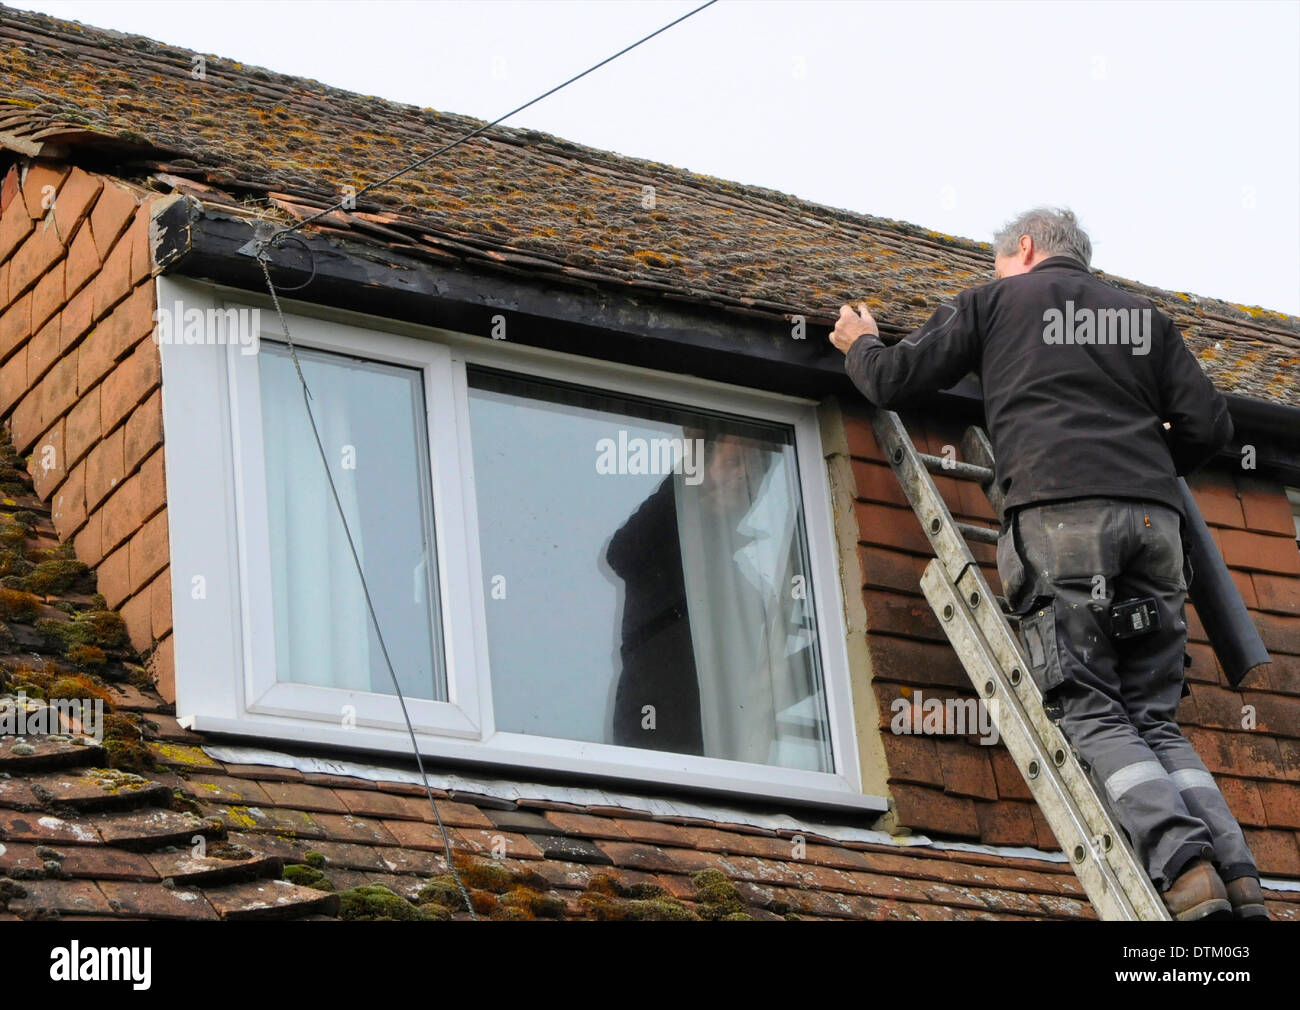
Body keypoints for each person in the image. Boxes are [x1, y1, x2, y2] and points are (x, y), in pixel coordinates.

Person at [829, 206, 1266, 922]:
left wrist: (862, 345)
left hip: (1062, 519)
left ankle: (1186, 870)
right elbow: (1209, 428)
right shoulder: (1140, 318)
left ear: (1024, 248)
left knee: (1088, 705)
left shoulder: (994, 301)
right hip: (1158, 527)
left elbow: (895, 381)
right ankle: (1240, 881)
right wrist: (1144, 469)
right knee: (1155, 718)